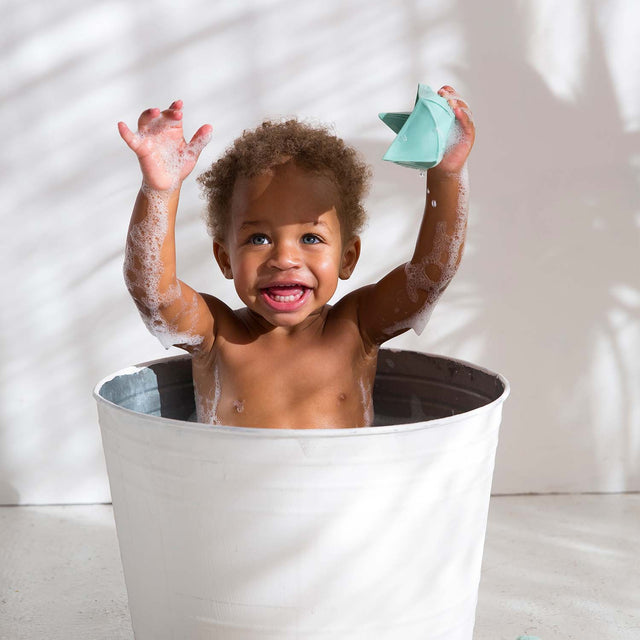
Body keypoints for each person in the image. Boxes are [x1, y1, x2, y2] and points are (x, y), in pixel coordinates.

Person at [117, 86, 475, 428]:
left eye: (310, 238)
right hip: (231, 474)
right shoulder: (217, 333)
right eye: (258, 239)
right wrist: (159, 192)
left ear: (347, 258)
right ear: (225, 259)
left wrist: (447, 176)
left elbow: (427, 278)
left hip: (346, 475)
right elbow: (155, 296)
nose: (284, 258)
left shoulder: (356, 327)